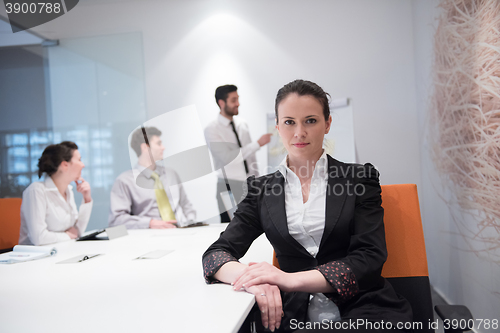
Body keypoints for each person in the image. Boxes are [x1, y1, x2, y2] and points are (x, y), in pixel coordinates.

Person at [202, 80, 413, 332]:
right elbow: (215, 255)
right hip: (291, 314)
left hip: (364, 307)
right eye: (289, 122)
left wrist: (288, 280)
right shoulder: (261, 190)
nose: (299, 132)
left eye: (310, 121)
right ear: (278, 127)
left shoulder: (359, 178)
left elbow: (369, 257)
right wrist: (254, 281)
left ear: (327, 124)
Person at [204, 84, 272, 222]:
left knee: (257, 224)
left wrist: (257, 181)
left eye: (238, 99)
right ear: (221, 103)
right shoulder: (212, 129)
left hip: (250, 184)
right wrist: (257, 144)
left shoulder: (242, 124)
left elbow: (250, 158)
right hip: (228, 185)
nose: (238, 103)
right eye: (233, 100)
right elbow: (227, 157)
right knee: (232, 229)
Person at [108, 126, 196, 229]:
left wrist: (191, 222)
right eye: (159, 143)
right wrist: (150, 223)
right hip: (148, 237)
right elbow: (116, 220)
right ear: (145, 147)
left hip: (181, 232)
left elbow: (186, 206)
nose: (163, 147)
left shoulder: (171, 174)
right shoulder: (125, 181)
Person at [19, 141, 93, 246]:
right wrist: (67, 236)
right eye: (79, 160)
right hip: (36, 258)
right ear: (65, 165)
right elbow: (39, 238)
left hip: (61, 250)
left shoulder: (68, 191)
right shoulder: (36, 191)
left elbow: (77, 232)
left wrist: (87, 199)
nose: (83, 165)